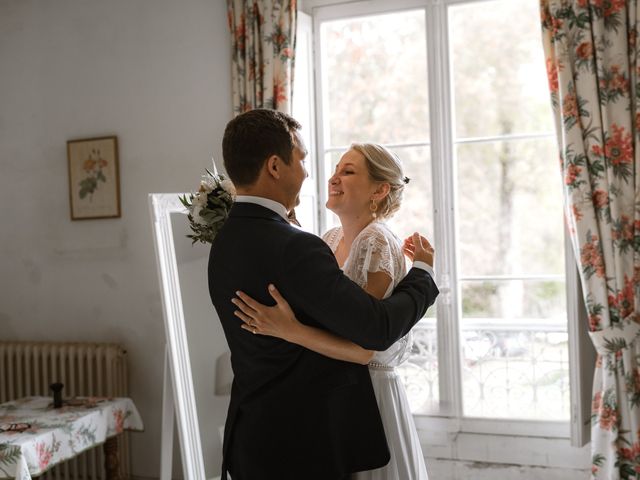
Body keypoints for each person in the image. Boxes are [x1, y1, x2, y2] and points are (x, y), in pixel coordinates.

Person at [208, 109, 438, 480]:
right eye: (300, 159)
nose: (311, 172)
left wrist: (290, 329)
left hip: (255, 433)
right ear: (274, 167)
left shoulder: (225, 241)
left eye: (348, 170)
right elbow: (374, 329)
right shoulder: (300, 246)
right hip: (303, 437)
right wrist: (424, 275)